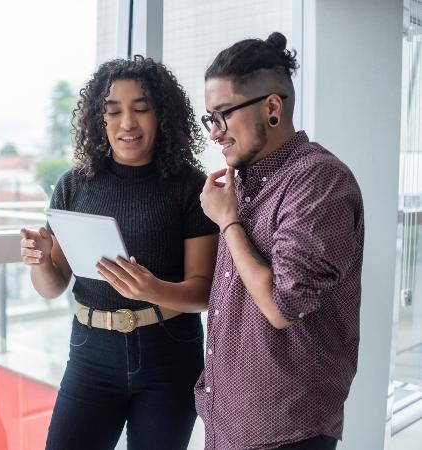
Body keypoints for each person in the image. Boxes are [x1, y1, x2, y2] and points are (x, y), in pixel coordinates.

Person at [20, 55, 219, 450]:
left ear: (162, 116)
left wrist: (152, 289)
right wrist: (42, 259)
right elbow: (53, 286)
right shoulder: (74, 185)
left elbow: (204, 291)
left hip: (169, 355)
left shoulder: (189, 187)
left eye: (141, 109)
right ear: (100, 119)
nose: (127, 123)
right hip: (90, 355)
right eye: (114, 112)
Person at [197, 32, 364, 450]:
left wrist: (229, 223)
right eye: (209, 119)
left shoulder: (320, 180)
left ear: (272, 107)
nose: (214, 133)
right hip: (231, 420)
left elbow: (280, 306)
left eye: (222, 115)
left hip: (287, 429)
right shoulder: (245, 184)